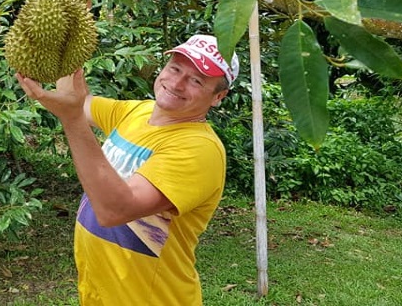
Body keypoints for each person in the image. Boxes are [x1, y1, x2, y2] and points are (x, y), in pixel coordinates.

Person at [16, 33, 239, 305]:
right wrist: (69, 31)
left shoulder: (199, 149)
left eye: (196, 80)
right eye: (175, 68)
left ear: (218, 96)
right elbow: (77, 100)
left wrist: (71, 117)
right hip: (101, 294)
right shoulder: (139, 112)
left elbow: (115, 210)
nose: (177, 83)